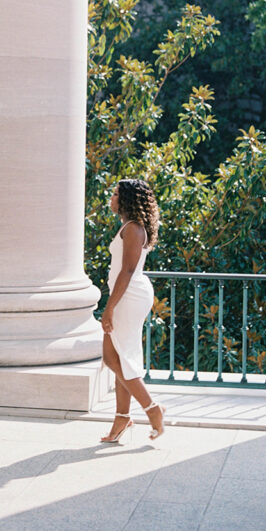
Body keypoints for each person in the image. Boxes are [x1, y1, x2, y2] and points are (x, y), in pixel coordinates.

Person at [99, 177, 165, 443]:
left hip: (129, 296)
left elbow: (127, 271)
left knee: (115, 358)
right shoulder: (129, 227)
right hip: (128, 294)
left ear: (125, 199)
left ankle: (153, 410)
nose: (111, 199)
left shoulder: (133, 229)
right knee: (119, 356)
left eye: (115, 194)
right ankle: (122, 417)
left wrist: (109, 308)